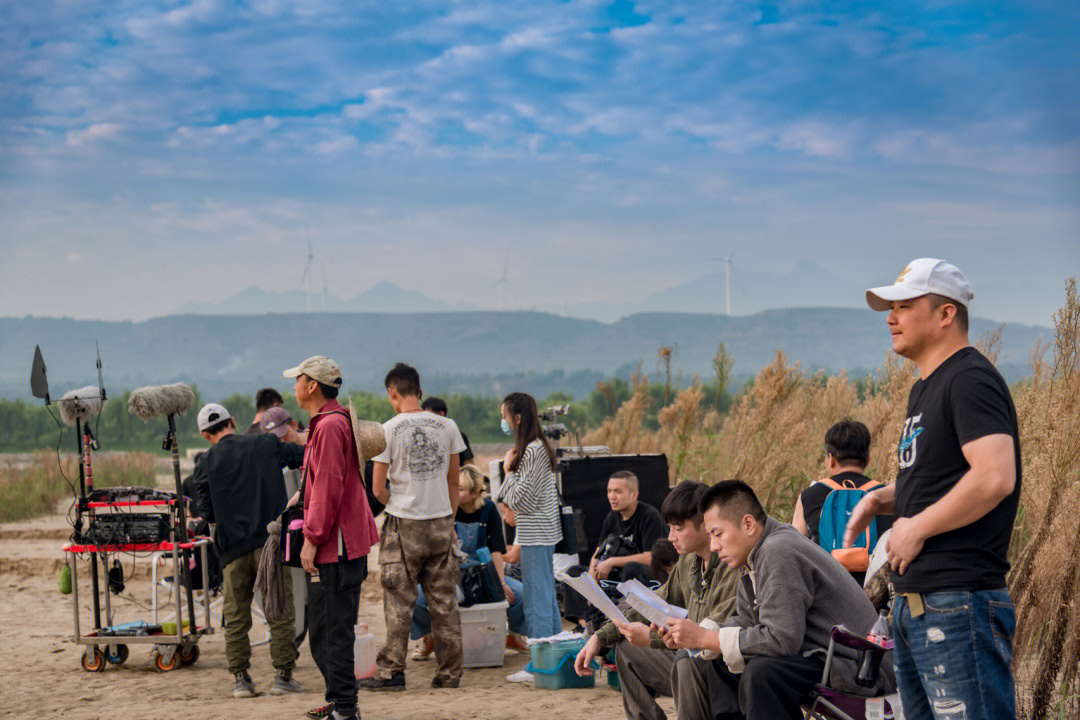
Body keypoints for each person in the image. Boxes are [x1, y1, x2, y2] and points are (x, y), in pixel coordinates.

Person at [845, 258, 1021, 719]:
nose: (891, 317)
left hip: (958, 603)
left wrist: (916, 527)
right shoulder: (925, 387)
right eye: (890, 307)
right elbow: (943, 479)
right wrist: (884, 497)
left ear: (946, 314)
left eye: (904, 305)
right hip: (919, 607)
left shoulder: (969, 379)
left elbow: (995, 476)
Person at [676, 480, 893, 720]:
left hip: (859, 666)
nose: (714, 546)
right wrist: (702, 635)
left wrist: (711, 638)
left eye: (718, 534)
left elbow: (782, 639)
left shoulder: (778, 550)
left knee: (762, 673)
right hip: (820, 656)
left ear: (748, 523)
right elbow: (746, 619)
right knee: (719, 663)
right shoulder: (752, 556)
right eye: (710, 536)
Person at [573, 481, 740, 720]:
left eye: (678, 528)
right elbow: (650, 604)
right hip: (689, 659)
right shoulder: (688, 561)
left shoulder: (730, 563)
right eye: (669, 528)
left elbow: (707, 638)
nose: (670, 537)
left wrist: (651, 637)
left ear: (706, 525)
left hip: (720, 669)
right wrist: (599, 637)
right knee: (628, 650)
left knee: (685, 660)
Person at [284, 356, 380, 720]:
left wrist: (312, 536)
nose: (294, 386)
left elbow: (328, 487)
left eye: (298, 380)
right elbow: (323, 480)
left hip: (334, 547)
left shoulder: (327, 427)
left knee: (330, 632)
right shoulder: (332, 423)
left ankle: (345, 708)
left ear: (312, 385)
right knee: (328, 629)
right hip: (343, 543)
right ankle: (340, 700)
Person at [362, 363, 466, 692]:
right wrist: (448, 520)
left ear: (393, 393)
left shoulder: (387, 429)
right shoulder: (448, 426)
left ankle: (392, 671)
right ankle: (450, 674)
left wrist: (399, 500)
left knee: (398, 601)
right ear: (419, 391)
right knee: (445, 602)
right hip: (440, 521)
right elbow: (454, 483)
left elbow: (378, 489)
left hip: (403, 524)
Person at [190, 402, 305, 699]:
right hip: (270, 544)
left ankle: (242, 680)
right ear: (233, 420)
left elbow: (208, 515)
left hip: (232, 551)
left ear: (205, 434)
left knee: (237, 617)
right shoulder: (265, 443)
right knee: (279, 610)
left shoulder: (206, 461)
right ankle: (282, 677)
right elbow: (300, 456)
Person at [411, 464, 529, 660]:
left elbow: (496, 550)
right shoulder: (445, 507)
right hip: (450, 575)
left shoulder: (489, 509)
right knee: (415, 596)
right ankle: (428, 637)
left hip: (484, 575)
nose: (454, 491)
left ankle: (514, 635)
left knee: (520, 594)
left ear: (475, 493)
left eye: (460, 488)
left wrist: (500, 583)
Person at [497, 391, 563, 682]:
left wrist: (507, 471)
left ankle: (539, 663)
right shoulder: (539, 448)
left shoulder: (532, 451)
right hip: (541, 531)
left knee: (538, 600)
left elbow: (519, 500)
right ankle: (553, 656)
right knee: (546, 598)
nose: (504, 422)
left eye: (505, 416)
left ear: (518, 418)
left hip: (537, 533)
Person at [792, 419, 893, 584]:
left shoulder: (808, 496)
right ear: (868, 459)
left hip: (826, 593)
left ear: (831, 459)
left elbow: (794, 552)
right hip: (874, 598)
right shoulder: (886, 495)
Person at [590, 471, 669, 583]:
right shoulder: (611, 517)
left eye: (618, 491)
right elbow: (599, 550)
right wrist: (591, 571)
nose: (612, 496)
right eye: (609, 491)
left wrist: (612, 561)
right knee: (575, 572)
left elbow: (651, 557)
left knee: (631, 568)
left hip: (651, 574)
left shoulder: (649, 516)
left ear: (634, 495)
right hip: (619, 572)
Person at [421, 396, 476, 467]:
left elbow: (468, 463)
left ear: (441, 414)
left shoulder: (457, 434)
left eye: (429, 415)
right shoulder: (424, 437)